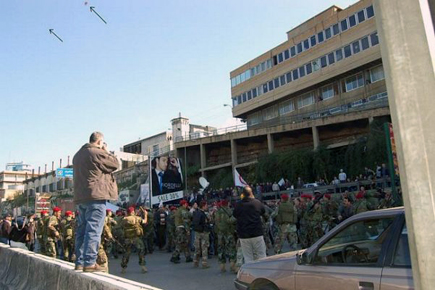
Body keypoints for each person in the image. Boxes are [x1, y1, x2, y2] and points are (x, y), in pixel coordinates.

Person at [73, 131, 119, 272]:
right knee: (93, 229)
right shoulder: (96, 152)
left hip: (81, 197)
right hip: (95, 196)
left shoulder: (78, 155)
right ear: (99, 142)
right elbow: (115, 164)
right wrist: (106, 151)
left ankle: (80, 262)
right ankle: (90, 262)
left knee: (82, 229)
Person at [233, 186, 267, 263]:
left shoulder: (238, 205)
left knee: (248, 257)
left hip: (244, 234)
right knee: (261, 255)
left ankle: (250, 273)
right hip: (257, 232)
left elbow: (234, 215)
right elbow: (263, 212)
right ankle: (263, 272)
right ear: (251, 193)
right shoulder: (257, 203)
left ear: (243, 194)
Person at [121, 207, 148, 274]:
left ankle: (123, 268)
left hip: (127, 238)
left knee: (126, 253)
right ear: (133, 212)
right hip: (136, 238)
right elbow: (144, 221)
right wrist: (145, 214)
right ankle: (143, 267)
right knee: (141, 251)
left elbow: (122, 227)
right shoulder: (137, 218)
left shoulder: (124, 219)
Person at [215, 200, 237, 273]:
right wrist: (235, 218)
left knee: (221, 250)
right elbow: (229, 221)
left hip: (220, 234)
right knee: (231, 249)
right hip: (228, 233)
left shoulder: (217, 212)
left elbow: (215, 222)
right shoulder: (229, 211)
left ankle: (222, 266)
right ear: (227, 204)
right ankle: (232, 266)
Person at [192, 201, 210, 269]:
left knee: (197, 248)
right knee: (204, 248)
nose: (207, 206)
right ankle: (204, 263)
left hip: (197, 232)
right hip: (203, 232)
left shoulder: (196, 213)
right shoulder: (203, 214)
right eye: (206, 205)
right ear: (203, 206)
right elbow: (206, 222)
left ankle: (195, 262)